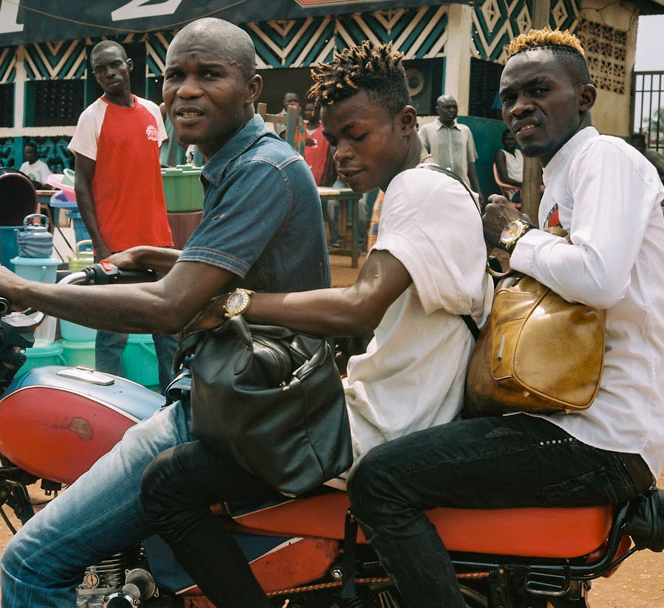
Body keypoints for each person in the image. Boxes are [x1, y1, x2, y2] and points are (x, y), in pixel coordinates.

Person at [0, 17, 329, 607]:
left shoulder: (260, 169)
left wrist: (27, 289)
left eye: (210, 74)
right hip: (238, 391)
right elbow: (237, 266)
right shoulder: (246, 160)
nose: (187, 90)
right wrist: (160, 254)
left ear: (253, 88)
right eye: (176, 75)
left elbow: (171, 304)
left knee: (29, 561)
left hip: (235, 407)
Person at [138, 41, 492, 608]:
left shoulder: (419, 190)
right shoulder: (416, 190)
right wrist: (175, 265)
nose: (342, 155)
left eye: (358, 135)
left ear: (406, 123)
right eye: (334, 140)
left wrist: (234, 304)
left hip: (381, 430)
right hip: (378, 411)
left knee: (169, 482)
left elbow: (357, 306)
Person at [342, 28, 664, 607]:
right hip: (569, 414)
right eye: (509, 97)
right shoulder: (558, 182)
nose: (521, 106)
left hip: (598, 435)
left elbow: (598, 278)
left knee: (381, 480)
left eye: (539, 90)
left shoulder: (606, 158)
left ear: (585, 97)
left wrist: (512, 236)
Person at [69, 40, 178, 389]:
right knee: (113, 333)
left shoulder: (151, 112)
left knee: (168, 329)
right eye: (100, 69)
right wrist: (99, 245)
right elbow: (82, 184)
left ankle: (174, 401)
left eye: (114, 65)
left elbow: (149, 171)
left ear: (129, 65)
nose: (109, 73)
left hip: (159, 241)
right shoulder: (92, 117)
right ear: (95, 75)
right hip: (115, 245)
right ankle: (109, 403)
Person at [418, 94, 483, 206]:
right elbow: (421, 161)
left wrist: (477, 191)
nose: (451, 110)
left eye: (454, 107)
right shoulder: (426, 131)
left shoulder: (465, 131)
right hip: (436, 189)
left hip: (462, 188)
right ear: (437, 110)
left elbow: (471, 163)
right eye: (447, 107)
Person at [493, 128, 524, 207]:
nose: (510, 142)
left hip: (525, 189)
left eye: (512, 139)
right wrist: (522, 185)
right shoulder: (501, 153)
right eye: (507, 139)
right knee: (540, 195)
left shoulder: (519, 153)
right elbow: (503, 178)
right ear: (503, 141)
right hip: (515, 192)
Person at [302, 100, 329, 185]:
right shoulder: (300, 129)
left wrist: (326, 176)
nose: (309, 112)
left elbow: (329, 156)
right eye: (307, 110)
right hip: (301, 174)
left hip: (318, 175)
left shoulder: (325, 130)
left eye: (312, 110)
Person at [275, 90, 306, 154]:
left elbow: (301, 137)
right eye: (290, 101)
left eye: (295, 101)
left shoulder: (300, 118)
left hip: (299, 156)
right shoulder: (279, 117)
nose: (293, 103)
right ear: (284, 102)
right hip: (286, 155)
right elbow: (286, 137)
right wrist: (295, 116)